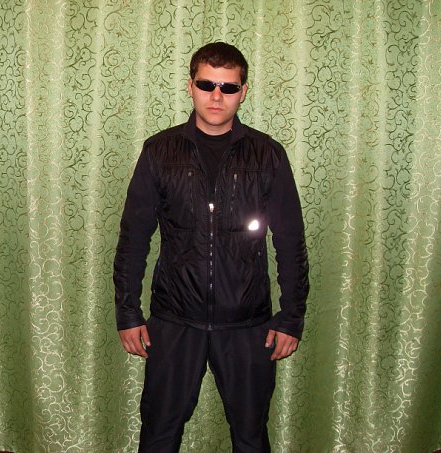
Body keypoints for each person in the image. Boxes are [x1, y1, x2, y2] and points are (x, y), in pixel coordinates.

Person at [113, 42, 309, 453]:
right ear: (191, 86)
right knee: (159, 435)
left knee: (251, 437)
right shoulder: (159, 151)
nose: (216, 96)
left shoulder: (268, 155)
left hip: (247, 324)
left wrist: (291, 318)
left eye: (228, 87)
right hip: (174, 321)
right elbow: (134, 237)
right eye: (207, 85)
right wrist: (128, 312)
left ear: (243, 91)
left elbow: (290, 242)